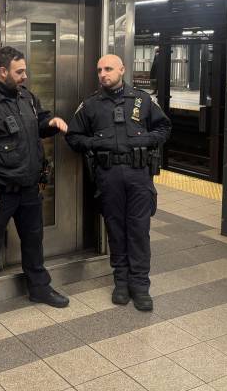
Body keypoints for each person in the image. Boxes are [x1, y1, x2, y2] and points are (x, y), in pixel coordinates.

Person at [0, 46, 70, 329]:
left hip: (29, 187)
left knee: (34, 241)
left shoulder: (26, 97)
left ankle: (39, 289)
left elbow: (38, 122)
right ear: (2, 71)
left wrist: (51, 123)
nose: (25, 76)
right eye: (20, 72)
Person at [65, 54, 171, 311]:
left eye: (108, 69)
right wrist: (96, 143)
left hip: (138, 175)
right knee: (115, 230)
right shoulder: (90, 105)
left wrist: (143, 141)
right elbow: (73, 136)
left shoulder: (143, 101)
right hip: (108, 175)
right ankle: (121, 284)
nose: (103, 74)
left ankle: (140, 286)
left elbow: (164, 128)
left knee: (139, 230)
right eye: (99, 69)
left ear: (122, 69)